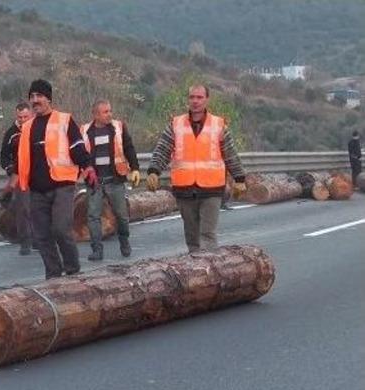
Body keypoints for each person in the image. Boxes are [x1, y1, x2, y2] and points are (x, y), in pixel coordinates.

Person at [147, 84, 247, 253]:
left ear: (207, 100)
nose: (195, 101)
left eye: (199, 97)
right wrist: (153, 171)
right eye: (192, 97)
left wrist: (239, 178)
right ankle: (196, 271)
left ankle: (209, 269)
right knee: (192, 236)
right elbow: (163, 149)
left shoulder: (218, 124)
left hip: (212, 188)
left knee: (207, 234)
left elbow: (230, 153)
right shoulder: (176, 124)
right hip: (184, 189)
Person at [13, 79, 89, 279]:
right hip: (36, 189)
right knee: (42, 235)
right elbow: (21, 156)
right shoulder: (27, 127)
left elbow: (77, 147)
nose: (35, 100)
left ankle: (72, 268)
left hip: (62, 185)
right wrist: (20, 180)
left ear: (49, 98)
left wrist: (88, 167)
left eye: (39, 96)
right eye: (32, 96)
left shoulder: (64, 120)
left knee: (61, 229)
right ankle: (53, 274)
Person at [79, 99, 140, 261]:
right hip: (95, 181)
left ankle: (124, 241)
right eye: (105, 112)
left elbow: (129, 147)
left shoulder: (118, 127)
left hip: (115, 179)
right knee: (93, 216)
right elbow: (78, 154)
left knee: (121, 215)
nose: (109, 114)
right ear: (96, 114)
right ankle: (97, 249)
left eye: (110, 111)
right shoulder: (84, 131)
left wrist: (135, 168)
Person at [0, 102, 34, 255]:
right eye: (20, 117)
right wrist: (10, 170)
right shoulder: (11, 134)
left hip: (38, 175)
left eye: (26, 117)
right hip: (20, 176)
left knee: (39, 208)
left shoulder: (37, 129)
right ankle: (25, 241)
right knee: (23, 208)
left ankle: (40, 239)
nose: (23, 120)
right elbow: (4, 156)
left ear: (31, 115)